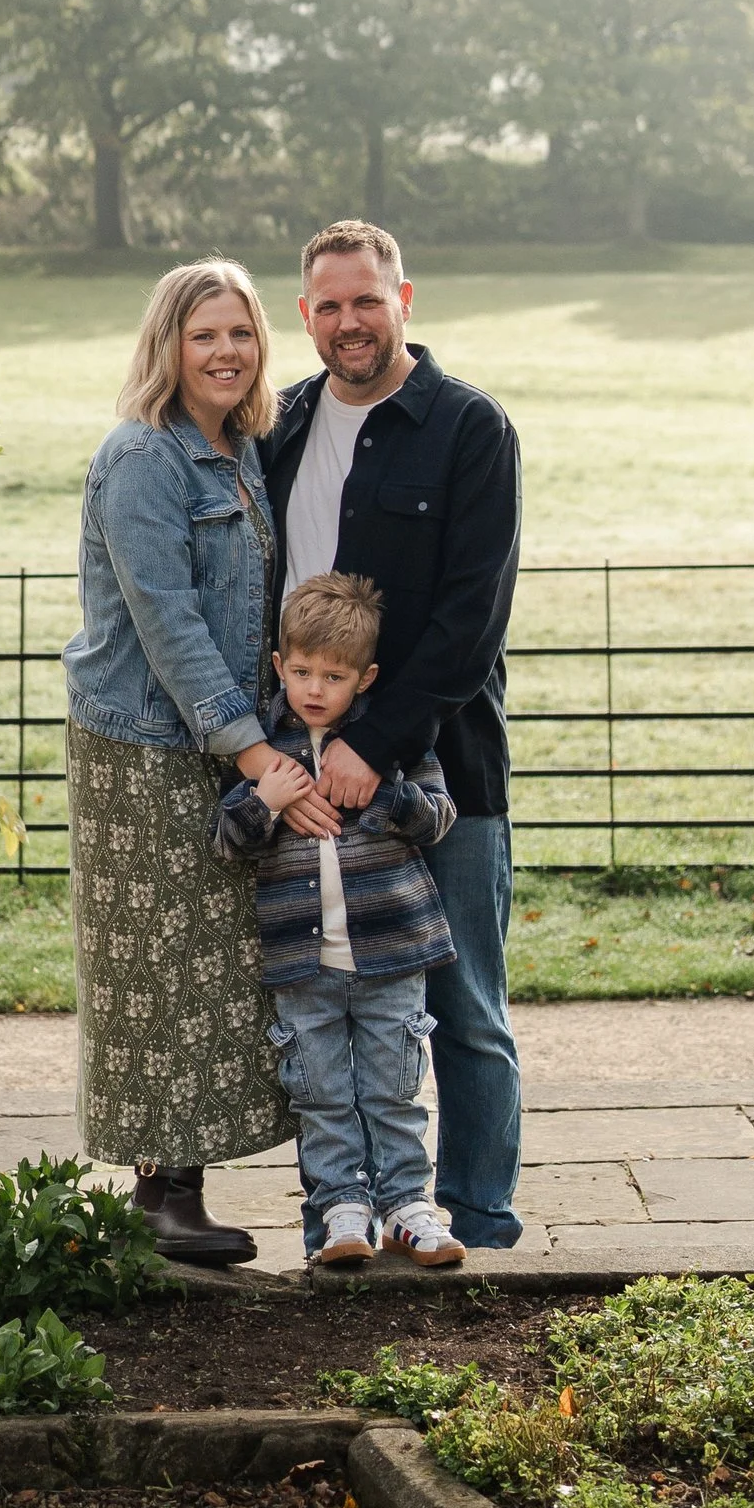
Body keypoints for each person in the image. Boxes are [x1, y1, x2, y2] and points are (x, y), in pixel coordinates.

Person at [261, 219, 524, 1251]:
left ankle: (482, 1222)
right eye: (327, 305)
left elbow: (472, 619)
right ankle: (348, 1211)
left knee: (461, 1007)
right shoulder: (279, 425)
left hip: (439, 773)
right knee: (318, 1011)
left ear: (404, 300)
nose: (348, 322)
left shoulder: (469, 429)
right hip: (302, 785)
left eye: (366, 300)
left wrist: (377, 743)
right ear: (305, 316)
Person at [64, 260, 290, 1263]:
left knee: (208, 966)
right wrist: (248, 749)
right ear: (168, 346)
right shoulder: (144, 459)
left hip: (213, 735)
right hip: (145, 745)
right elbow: (168, 621)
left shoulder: (237, 451)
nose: (226, 352)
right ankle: (156, 1196)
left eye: (240, 333)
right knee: (152, 963)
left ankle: (176, 1188)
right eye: (205, 335)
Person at [211, 571, 465, 1269]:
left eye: (334, 675)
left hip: (391, 955)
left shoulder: (391, 745)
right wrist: (263, 799)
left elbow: (438, 817)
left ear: (366, 677)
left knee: (393, 1087)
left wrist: (388, 789)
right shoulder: (262, 748)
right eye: (300, 671)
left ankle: (410, 1206)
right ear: (278, 667)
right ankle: (342, 1209)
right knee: (320, 1093)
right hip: (302, 964)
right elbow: (227, 840)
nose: (315, 688)